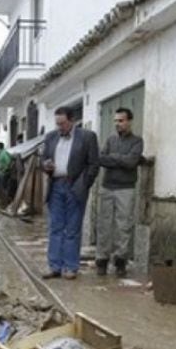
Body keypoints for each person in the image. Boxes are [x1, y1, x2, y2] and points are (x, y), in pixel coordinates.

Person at [40, 107, 99, 280]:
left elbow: (93, 164)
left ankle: (71, 267)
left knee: (72, 228)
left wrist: (84, 184)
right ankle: (54, 266)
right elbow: (43, 160)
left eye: (63, 123)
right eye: (57, 123)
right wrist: (46, 165)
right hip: (56, 185)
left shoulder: (87, 137)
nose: (60, 127)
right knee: (55, 227)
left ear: (72, 120)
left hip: (75, 186)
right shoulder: (50, 137)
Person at [95, 108, 144, 278]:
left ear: (129, 121)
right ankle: (101, 260)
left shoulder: (137, 141)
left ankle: (120, 261)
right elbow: (101, 159)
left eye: (121, 121)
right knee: (104, 225)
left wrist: (113, 158)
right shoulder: (110, 139)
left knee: (123, 226)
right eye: (115, 121)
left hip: (126, 188)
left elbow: (131, 163)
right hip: (107, 187)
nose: (118, 124)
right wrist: (120, 158)